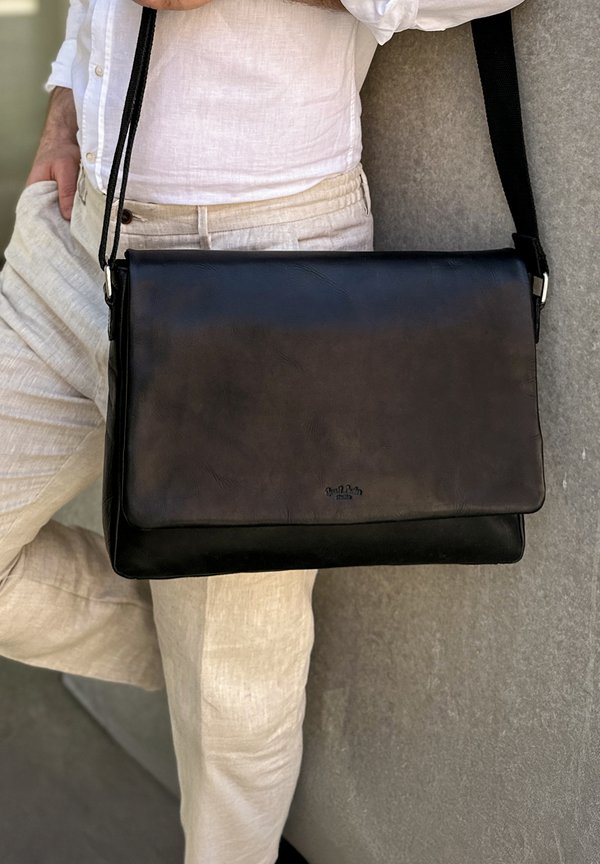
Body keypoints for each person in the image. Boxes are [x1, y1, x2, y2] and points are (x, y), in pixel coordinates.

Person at [0, 0, 524, 861]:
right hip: (73, 235)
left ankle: (223, 688)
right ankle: (207, 670)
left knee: (234, 714)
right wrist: (65, 103)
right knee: (225, 681)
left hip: (260, 267)